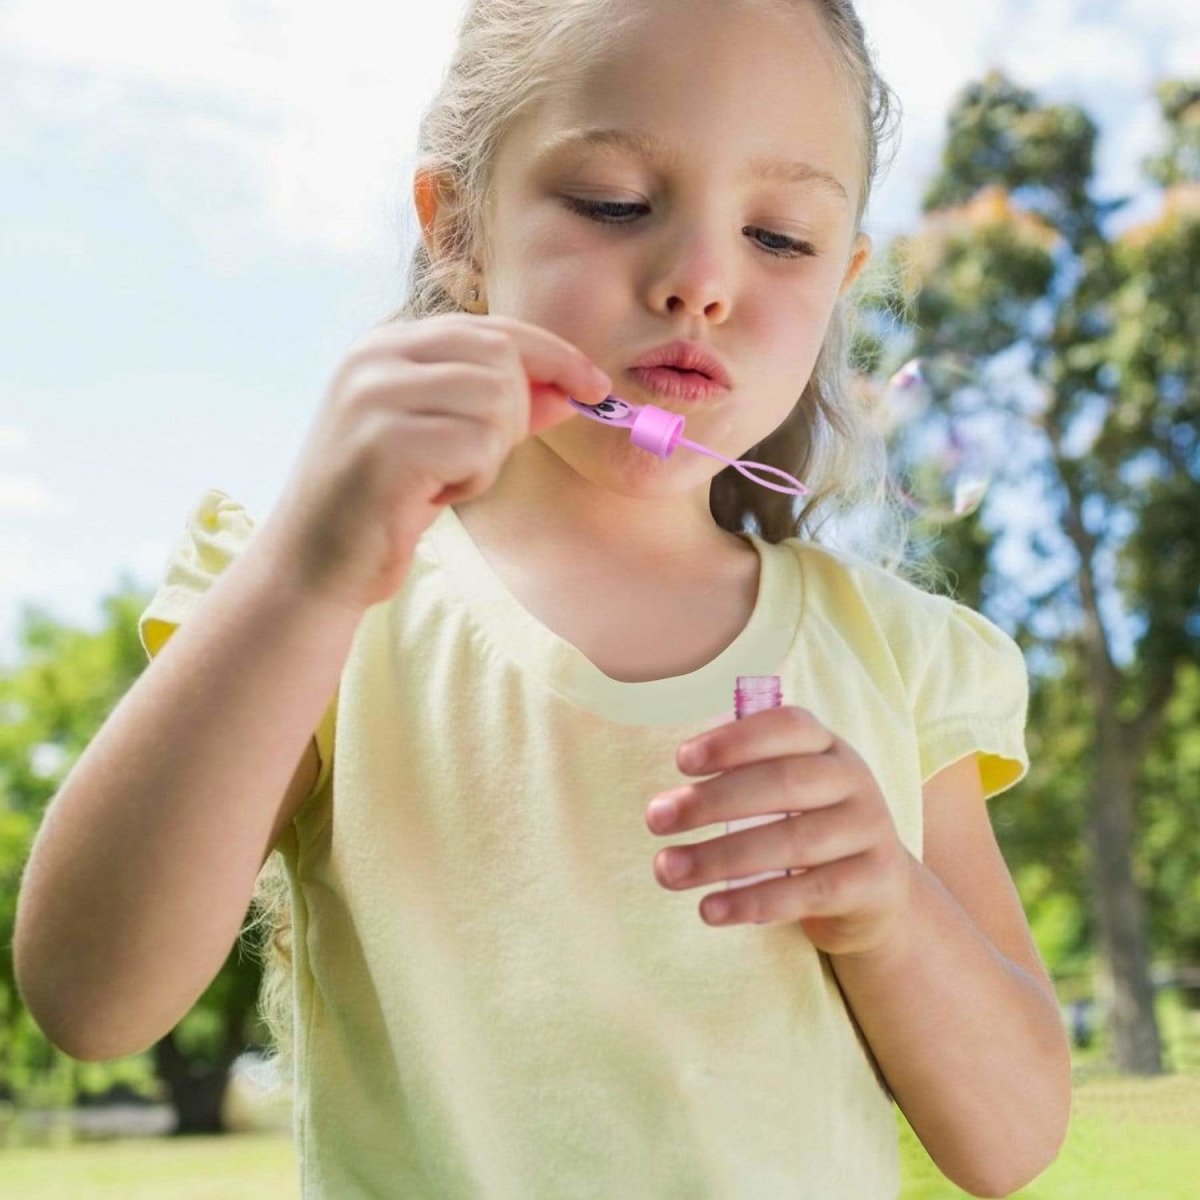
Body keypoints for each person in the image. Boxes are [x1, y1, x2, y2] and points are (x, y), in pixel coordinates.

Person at [14, 1, 1072, 1196]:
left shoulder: (898, 656)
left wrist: (889, 904)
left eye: (780, 235)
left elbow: (1015, 1138)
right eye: (617, 201)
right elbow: (89, 999)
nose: (700, 281)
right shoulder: (328, 606)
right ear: (458, 227)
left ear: (844, 281)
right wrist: (302, 575)